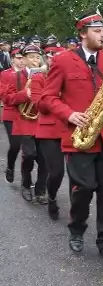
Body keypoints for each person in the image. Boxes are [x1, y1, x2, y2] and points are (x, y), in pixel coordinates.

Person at [40, 9, 103, 260]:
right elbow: (46, 99)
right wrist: (69, 114)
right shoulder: (63, 60)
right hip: (79, 137)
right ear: (83, 33)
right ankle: (76, 230)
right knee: (84, 187)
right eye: (98, 31)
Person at [3, 43, 48, 203]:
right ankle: (26, 184)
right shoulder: (15, 76)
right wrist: (25, 94)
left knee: (44, 159)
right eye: (31, 57)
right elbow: (7, 98)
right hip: (24, 121)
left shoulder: (46, 76)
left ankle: (41, 190)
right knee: (29, 154)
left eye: (37, 57)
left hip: (42, 121)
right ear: (25, 60)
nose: (35, 60)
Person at [34, 40, 67, 219]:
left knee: (79, 175)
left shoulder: (70, 75)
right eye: (50, 55)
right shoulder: (39, 78)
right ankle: (52, 197)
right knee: (56, 172)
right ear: (46, 58)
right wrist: (57, 95)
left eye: (57, 56)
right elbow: (40, 105)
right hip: (49, 131)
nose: (53, 58)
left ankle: (78, 211)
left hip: (71, 128)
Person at [1, 43, 25, 184]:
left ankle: (26, 178)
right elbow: (3, 94)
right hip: (12, 114)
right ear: (12, 59)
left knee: (30, 151)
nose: (21, 61)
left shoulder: (31, 73)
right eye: (19, 57)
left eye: (23, 58)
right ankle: (10, 167)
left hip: (28, 115)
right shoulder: (5, 74)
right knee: (15, 145)